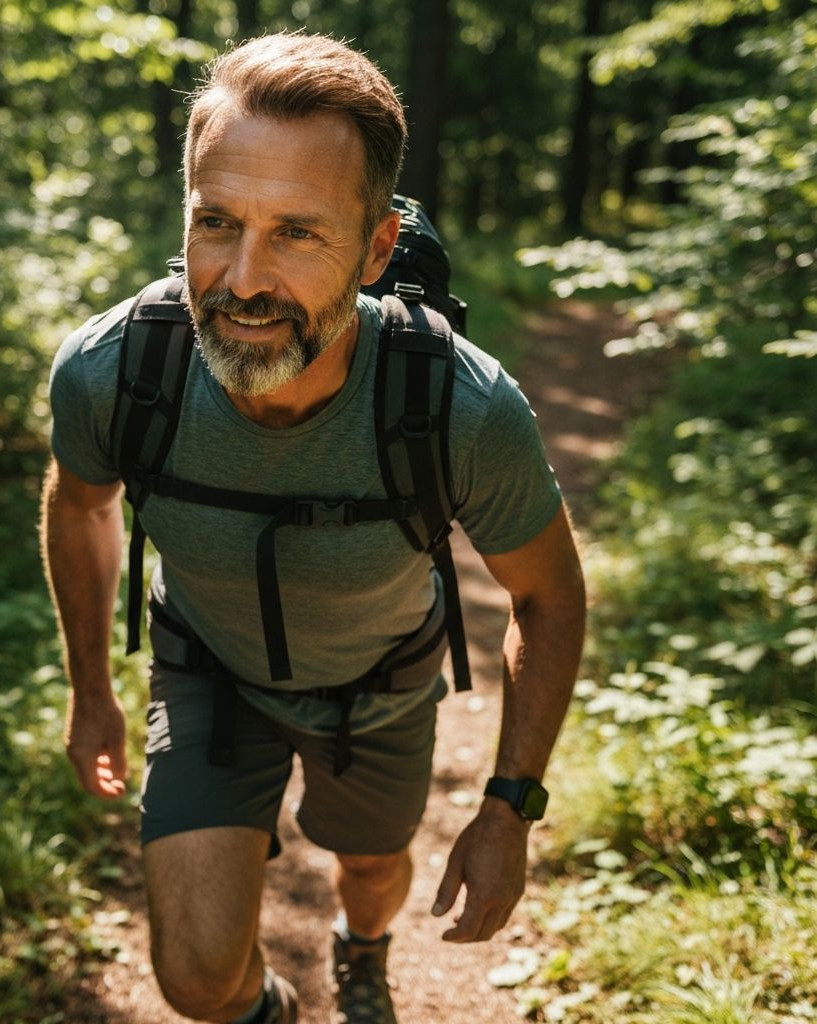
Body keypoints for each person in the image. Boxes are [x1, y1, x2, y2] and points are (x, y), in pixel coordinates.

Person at [40, 32, 585, 1024]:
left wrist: (509, 804)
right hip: (206, 671)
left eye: (297, 232)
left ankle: (363, 947)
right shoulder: (114, 372)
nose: (243, 278)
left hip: (380, 688)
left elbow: (547, 594)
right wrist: (89, 690)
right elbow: (79, 503)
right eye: (217, 221)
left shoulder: (458, 406)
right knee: (199, 979)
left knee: (373, 865)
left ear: (376, 249)